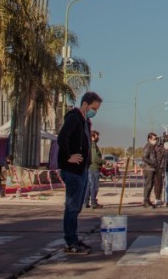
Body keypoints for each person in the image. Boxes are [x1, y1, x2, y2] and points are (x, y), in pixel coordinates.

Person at [57, 91, 102, 254]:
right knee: (72, 206)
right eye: (94, 108)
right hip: (73, 170)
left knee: (76, 207)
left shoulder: (85, 122)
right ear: (85, 104)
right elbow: (62, 138)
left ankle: (73, 239)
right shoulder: (74, 117)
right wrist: (68, 156)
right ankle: (70, 242)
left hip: (82, 169)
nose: (95, 112)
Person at [85, 130, 104, 209]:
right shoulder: (93, 146)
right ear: (92, 137)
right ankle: (93, 203)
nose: (98, 137)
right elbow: (95, 158)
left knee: (89, 185)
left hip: (91, 167)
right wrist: (104, 162)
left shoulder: (91, 145)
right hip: (93, 168)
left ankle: (85, 202)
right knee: (94, 186)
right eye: (97, 136)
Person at [141, 132, 160, 208]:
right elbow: (144, 158)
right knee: (148, 185)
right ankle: (145, 201)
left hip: (152, 169)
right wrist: (153, 163)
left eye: (156, 139)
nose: (155, 140)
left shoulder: (152, 147)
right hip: (148, 169)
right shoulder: (148, 147)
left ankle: (148, 200)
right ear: (149, 139)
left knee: (151, 185)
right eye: (154, 139)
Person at [153, 139, 167, 205]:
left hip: (154, 167)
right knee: (159, 183)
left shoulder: (153, 148)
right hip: (160, 167)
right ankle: (158, 198)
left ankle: (157, 198)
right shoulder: (162, 149)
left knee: (156, 184)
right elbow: (165, 157)